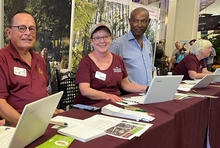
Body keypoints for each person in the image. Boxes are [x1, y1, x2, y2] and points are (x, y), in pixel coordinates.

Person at [0, 10, 63, 126]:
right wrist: (25, 125)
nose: (28, 33)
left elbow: (42, 92)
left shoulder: (39, 60)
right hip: (15, 125)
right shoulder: (2, 58)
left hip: (42, 121)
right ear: (9, 33)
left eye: (32, 28)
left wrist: (51, 109)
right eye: (21, 28)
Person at [74, 23, 147, 105]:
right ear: (91, 41)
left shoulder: (118, 59)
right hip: (89, 107)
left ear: (111, 38)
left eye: (106, 37)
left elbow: (126, 85)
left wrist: (147, 89)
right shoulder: (85, 62)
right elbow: (85, 90)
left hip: (114, 104)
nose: (102, 41)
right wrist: (107, 96)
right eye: (97, 38)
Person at [109, 7, 154, 86]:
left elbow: (150, 69)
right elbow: (109, 72)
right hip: (129, 95)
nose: (139, 25)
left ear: (148, 22)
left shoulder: (148, 44)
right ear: (130, 21)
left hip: (147, 93)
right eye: (135, 21)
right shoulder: (118, 44)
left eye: (143, 21)